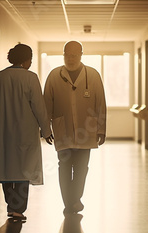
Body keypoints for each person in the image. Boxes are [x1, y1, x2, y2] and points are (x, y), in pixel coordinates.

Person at [0, 43, 53, 221]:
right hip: (26, 132)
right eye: (30, 59)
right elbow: (39, 107)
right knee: (24, 170)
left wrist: (5, 113)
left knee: (7, 169)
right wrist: (46, 131)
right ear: (26, 59)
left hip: (4, 132)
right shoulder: (30, 78)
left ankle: (11, 206)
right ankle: (18, 209)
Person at [43, 40, 107, 215]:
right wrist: (46, 128)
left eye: (74, 55)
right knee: (63, 167)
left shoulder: (92, 75)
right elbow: (47, 103)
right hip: (62, 131)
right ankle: (70, 203)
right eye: (67, 55)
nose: (70, 58)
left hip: (87, 130)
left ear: (81, 55)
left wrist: (101, 129)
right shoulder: (54, 75)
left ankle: (74, 199)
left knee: (81, 168)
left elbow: (100, 103)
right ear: (63, 55)